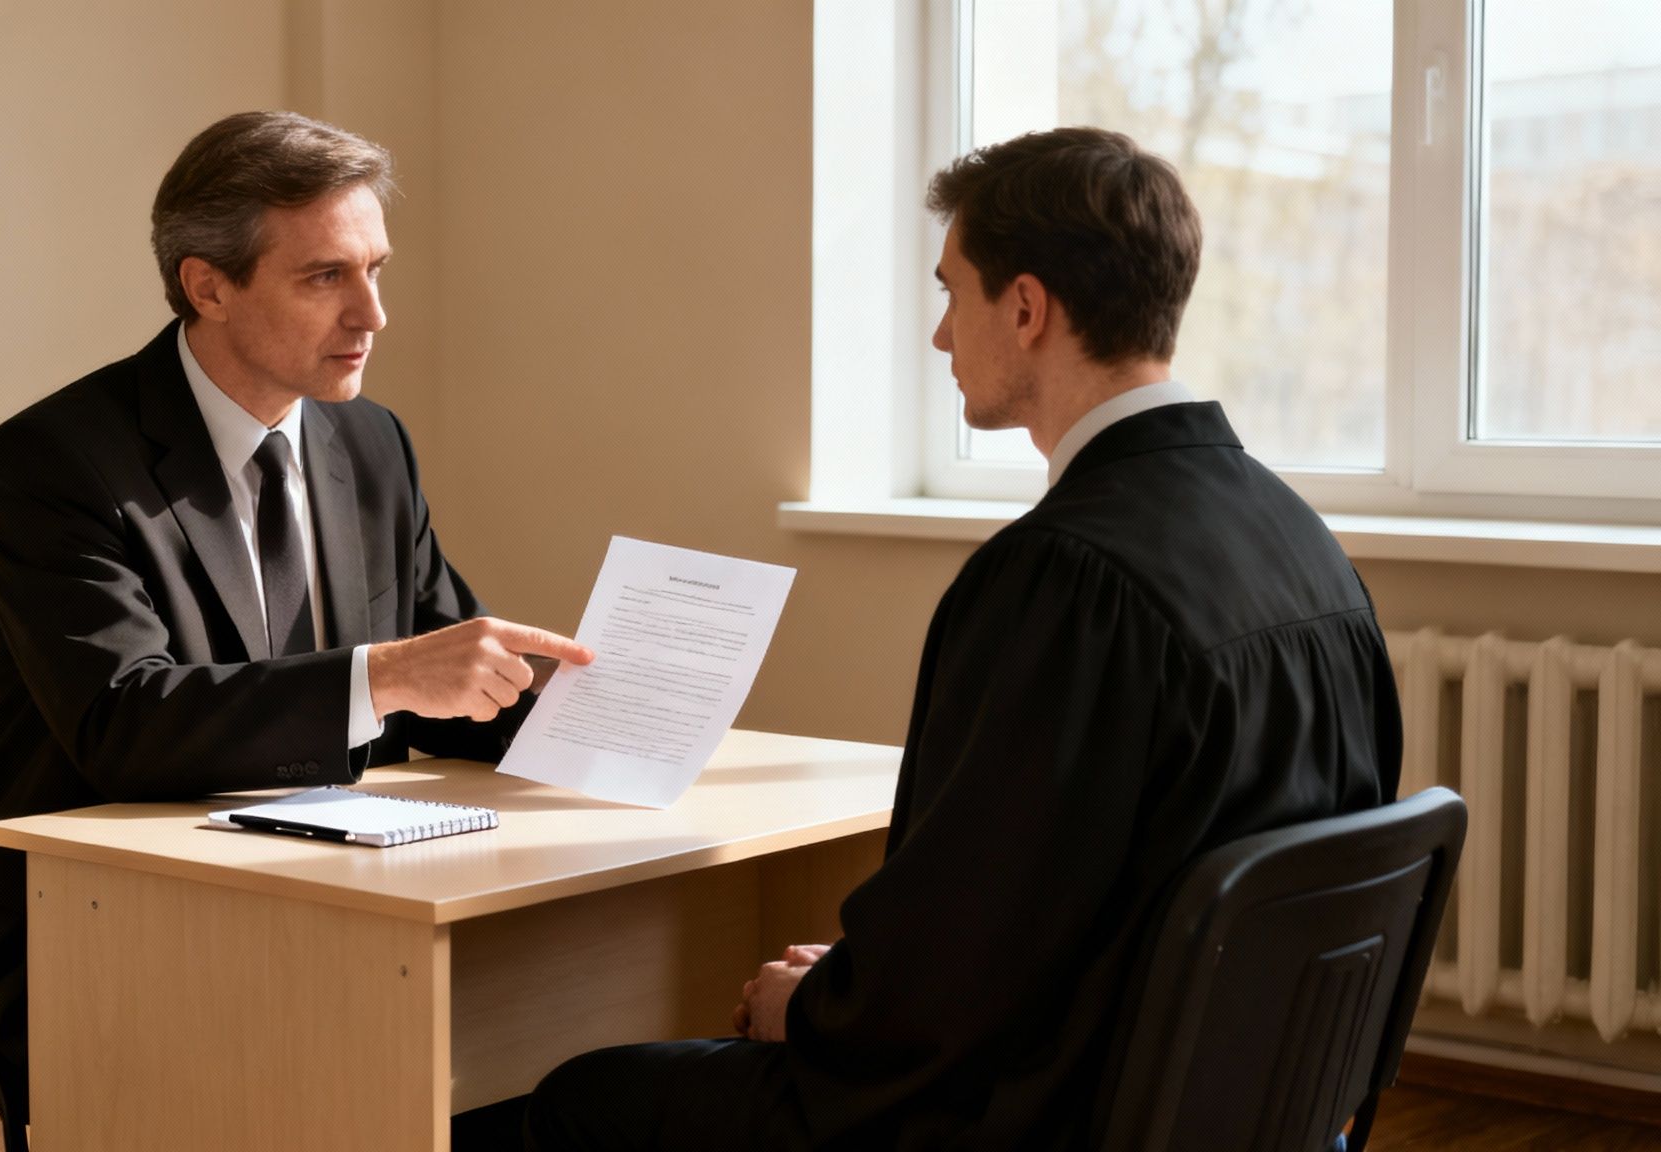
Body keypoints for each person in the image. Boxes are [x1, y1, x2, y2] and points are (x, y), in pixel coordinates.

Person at [525, 127, 1401, 1149]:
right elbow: (1036, 914)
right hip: (1236, 1112)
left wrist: (804, 1008)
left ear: (1024, 308)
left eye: (951, 292)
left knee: (575, 1103)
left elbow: (966, 961)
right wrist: (860, 983)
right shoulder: (1295, 538)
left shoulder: (1068, 576)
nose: (941, 336)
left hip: (1033, 1121)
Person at [0, 111, 592, 1102]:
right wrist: (390, 673)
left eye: (376, 269)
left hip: (333, 898)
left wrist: (606, 715)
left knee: (542, 1022)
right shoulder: (57, 460)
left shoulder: (370, 444)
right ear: (209, 286)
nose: (371, 314)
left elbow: (447, 679)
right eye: (326, 275)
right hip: (90, 926)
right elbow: (123, 722)